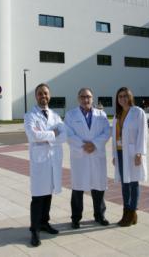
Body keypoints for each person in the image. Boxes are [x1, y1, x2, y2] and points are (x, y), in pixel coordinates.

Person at [24, 83, 67, 247]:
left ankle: (44, 223)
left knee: (48, 193)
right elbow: (33, 135)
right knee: (37, 196)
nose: (44, 96)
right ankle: (34, 230)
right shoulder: (30, 115)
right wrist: (53, 133)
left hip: (52, 159)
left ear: (50, 95)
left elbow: (65, 135)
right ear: (36, 96)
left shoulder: (56, 115)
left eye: (46, 93)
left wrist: (47, 136)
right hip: (40, 160)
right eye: (40, 94)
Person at [64, 88, 111, 229]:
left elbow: (107, 131)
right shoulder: (71, 115)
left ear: (92, 98)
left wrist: (95, 144)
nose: (86, 100)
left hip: (96, 155)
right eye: (83, 97)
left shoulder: (101, 115)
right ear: (78, 99)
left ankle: (99, 215)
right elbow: (68, 134)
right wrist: (84, 145)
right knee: (78, 189)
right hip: (80, 156)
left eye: (88, 97)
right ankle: (76, 218)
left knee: (98, 188)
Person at [111, 87, 148, 227]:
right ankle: (127, 212)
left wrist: (139, 152)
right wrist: (114, 155)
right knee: (124, 184)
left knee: (133, 182)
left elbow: (143, 133)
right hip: (120, 152)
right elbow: (115, 137)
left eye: (125, 96)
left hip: (133, 152)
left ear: (130, 97)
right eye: (120, 96)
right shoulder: (117, 115)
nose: (122, 99)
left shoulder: (138, 112)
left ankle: (132, 212)